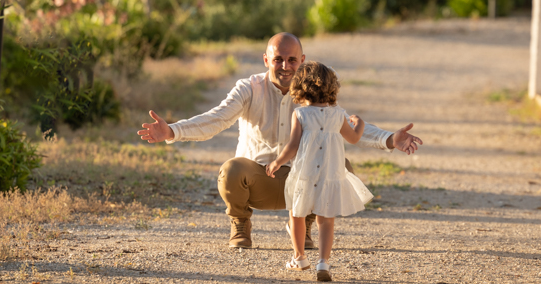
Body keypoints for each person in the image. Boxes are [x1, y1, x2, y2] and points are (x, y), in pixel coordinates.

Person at [137, 32, 421, 249]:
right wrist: (173, 131)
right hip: (257, 180)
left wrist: (388, 138)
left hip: (300, 183)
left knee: (341, 165)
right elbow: (218, 118)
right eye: (278, 59)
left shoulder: (315, 94)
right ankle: (240, 223)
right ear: (266, 60)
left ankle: (304, 225)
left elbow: (342, 123)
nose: (285, 66)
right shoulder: (249, 88)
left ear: (302, 61)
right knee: (231, 169)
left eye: (292, 60)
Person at [266, 62, 374, 281]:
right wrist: (360, 124)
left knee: (297, 215)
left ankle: (300, 258)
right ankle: (323, 263)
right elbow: (353, 138)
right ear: (331, 87)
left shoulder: (301, 114)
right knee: (326, 220)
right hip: (330, 176)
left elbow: (293, 146)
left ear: (301, 87)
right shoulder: (338, 115)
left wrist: (277, 162)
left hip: (304, 175)